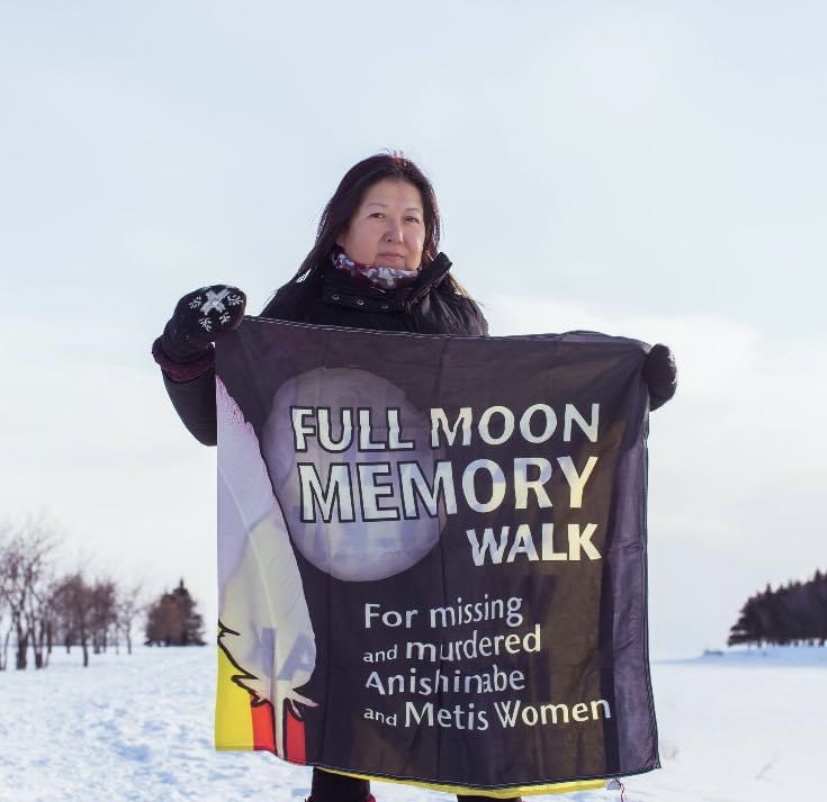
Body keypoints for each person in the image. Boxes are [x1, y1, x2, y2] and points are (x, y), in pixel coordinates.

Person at [152, 152, 678, 802]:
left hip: (456, 584)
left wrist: (619, 399)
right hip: (339, 584)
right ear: (341, 229)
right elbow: (220, 424)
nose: (397, 231)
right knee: (341, 773)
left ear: (430, 235)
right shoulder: (293, 318)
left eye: (412, 218)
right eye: (377, 214)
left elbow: (513, 432)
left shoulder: (458, 321)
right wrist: (185, 353)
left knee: (488, 770)